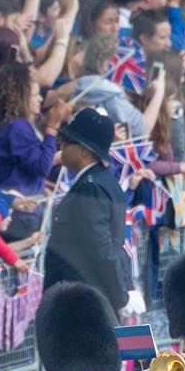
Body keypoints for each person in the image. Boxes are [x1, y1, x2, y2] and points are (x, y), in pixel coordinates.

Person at [41, 107, 133, 314]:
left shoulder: (90, 188)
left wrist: (121, 298)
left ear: (84, 151)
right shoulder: (103, 182)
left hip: (80, 301)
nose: (62, 148)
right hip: (87, 297)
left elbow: (102, 250)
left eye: (67, 144)